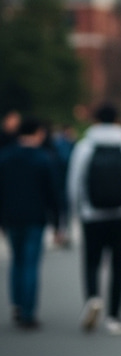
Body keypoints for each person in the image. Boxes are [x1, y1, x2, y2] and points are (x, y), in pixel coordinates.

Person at [67, 102, 121, 335]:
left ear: (94, 120)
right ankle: (115, 315)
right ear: (118, 119)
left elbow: (74, 182)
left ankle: (93, 299)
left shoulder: (84, 147)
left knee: (91, 262)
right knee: (119, 265)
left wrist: (75, 212)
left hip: (91, 214)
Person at [0, 116, 60, 329]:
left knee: (16, 262)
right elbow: (52, 193)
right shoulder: (43, 159)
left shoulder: (5, 157)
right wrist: (57, 222)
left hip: (11, 217)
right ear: (38, 133)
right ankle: (28, 312)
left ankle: (16, 304)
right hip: (35, 217)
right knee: (31, 264)